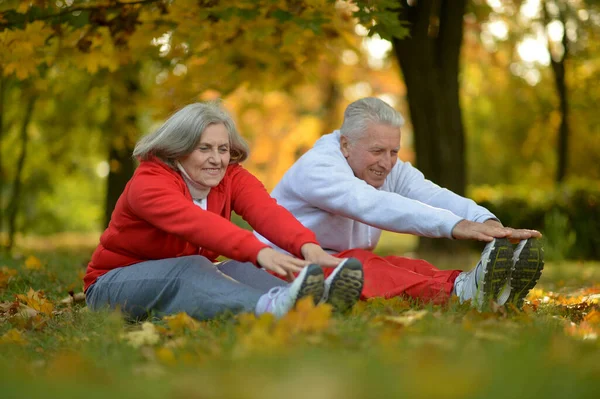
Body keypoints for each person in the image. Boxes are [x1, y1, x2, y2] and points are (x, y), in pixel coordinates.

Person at [83, 101, 365, 321]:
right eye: (204, 148)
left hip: (184, 272)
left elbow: (266, 211)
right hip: (111, 287)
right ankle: (269, 308)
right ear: (178, 149)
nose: (216, 160)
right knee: (194, 268)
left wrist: (306, 245)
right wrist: (258, 251)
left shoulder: (230, 176)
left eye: (223, 149)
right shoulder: (149, 183)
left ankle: (315, 302)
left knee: (237, 265)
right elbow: (197, 224)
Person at [255, 97, 544, 310]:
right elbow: (372, 205)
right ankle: (459, 293)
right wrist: (456, 226)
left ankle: (486, 289)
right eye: (377, 151)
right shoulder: (318, 168)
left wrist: (486, 221)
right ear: (345, 145)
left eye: (394, 151)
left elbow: (432, 194)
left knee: (404, 265)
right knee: (363, 265)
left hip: (336, 262)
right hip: (282, 268)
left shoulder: (387, 166)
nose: (387, 162)